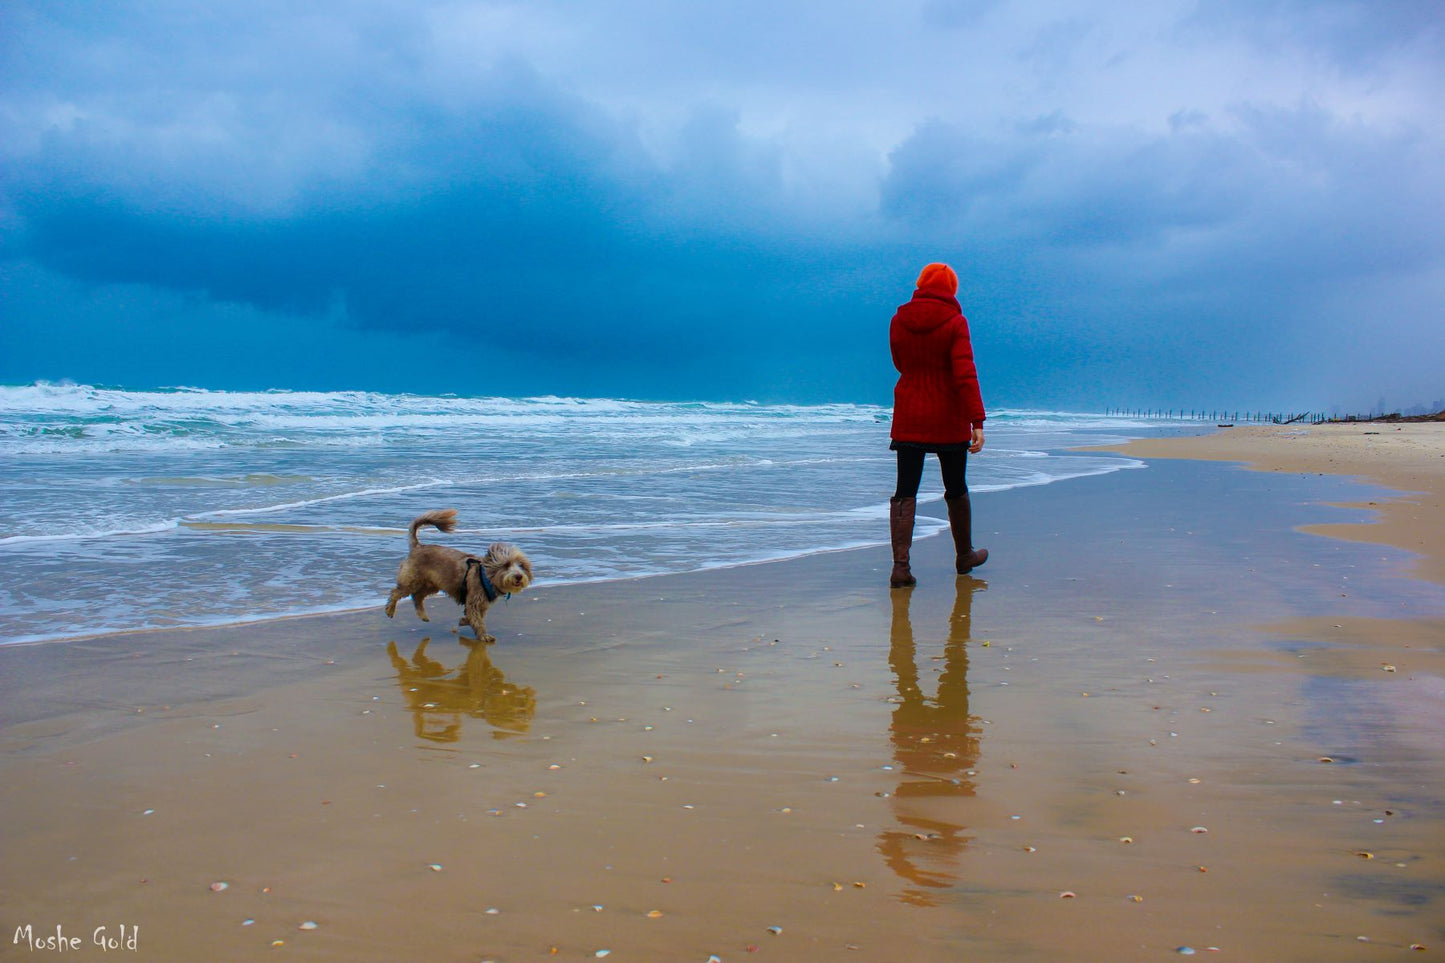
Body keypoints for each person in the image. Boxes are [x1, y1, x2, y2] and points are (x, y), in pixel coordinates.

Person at [888, 262, 988, 587]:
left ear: (920, 285)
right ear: (951, 290)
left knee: (905, 491)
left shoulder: (899, 320)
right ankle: (964, 556)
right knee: (955, 487)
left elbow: (900, 363)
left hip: (910, 413)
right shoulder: (956, 322)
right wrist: (977, 420)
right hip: (948, 417)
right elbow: (964, 373)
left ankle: (900, 568)